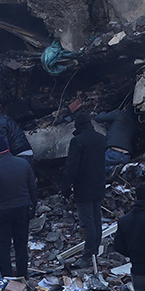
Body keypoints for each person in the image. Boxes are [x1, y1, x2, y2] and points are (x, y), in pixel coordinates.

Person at [0, 135, 39, 278]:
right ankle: (23, 275)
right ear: (9, 148)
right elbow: (33, 187)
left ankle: (6, 277)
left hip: (1, 212)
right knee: (21, 245)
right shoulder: (23, 164)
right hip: (22, 209)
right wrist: (32, 207)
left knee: (3, 245)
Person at [61, 113, 110, 271]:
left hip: (83, 187)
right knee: (96, 220)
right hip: (99, 185)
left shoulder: (77, 141)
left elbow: (72, 167)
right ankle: (95, 251)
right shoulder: (101, 139)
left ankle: (88, 255)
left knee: (87, 222)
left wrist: (66, 188)